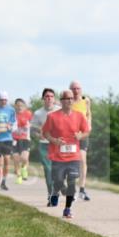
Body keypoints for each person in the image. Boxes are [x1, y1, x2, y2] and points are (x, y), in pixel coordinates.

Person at [42, 90, 90, 219]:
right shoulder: (52, 116)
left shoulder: (79, 116)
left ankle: (67, 209)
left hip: (73, 156)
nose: (69, 100)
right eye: (67, 98)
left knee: (72, 181)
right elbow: (45, 132)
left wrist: (81, 135)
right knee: (58, 181)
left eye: (71, 98)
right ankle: (56, 192)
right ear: (61, 100)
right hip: (58, 156)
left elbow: (86, 131)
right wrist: (54, 141)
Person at [30, 88, 58, 205]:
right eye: (47, 96)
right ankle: (51, 194)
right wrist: (38, 135)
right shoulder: (38, 113)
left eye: (51, 96)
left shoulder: (60, 110)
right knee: (48, 170)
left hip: (58, 145)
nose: (49, 98)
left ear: (54, 98)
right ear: (43, 99)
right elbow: (32, 130)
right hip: (44, 146)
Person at [69, 80, 92, 200]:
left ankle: (82, 189)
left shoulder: (86, 101)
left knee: (82, 160)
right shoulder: (67, 102)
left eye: (78, 88)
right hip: (70, 136)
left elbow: (88, 114)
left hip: (82, 135)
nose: (76, 91)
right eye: (73, 89)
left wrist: (89, 125)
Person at [12, 98, 33, 183]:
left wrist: (29, 125)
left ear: (24, 106)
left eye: (21, 105)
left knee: (24, 158)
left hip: (25, 139)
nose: (20, 107)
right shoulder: (13, 115)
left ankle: (24, 168)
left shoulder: (28, 114)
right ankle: (19, 176)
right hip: (15, 139)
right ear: (15, 106)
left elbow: (33, 122)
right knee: (16, 159)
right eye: (18, 105)